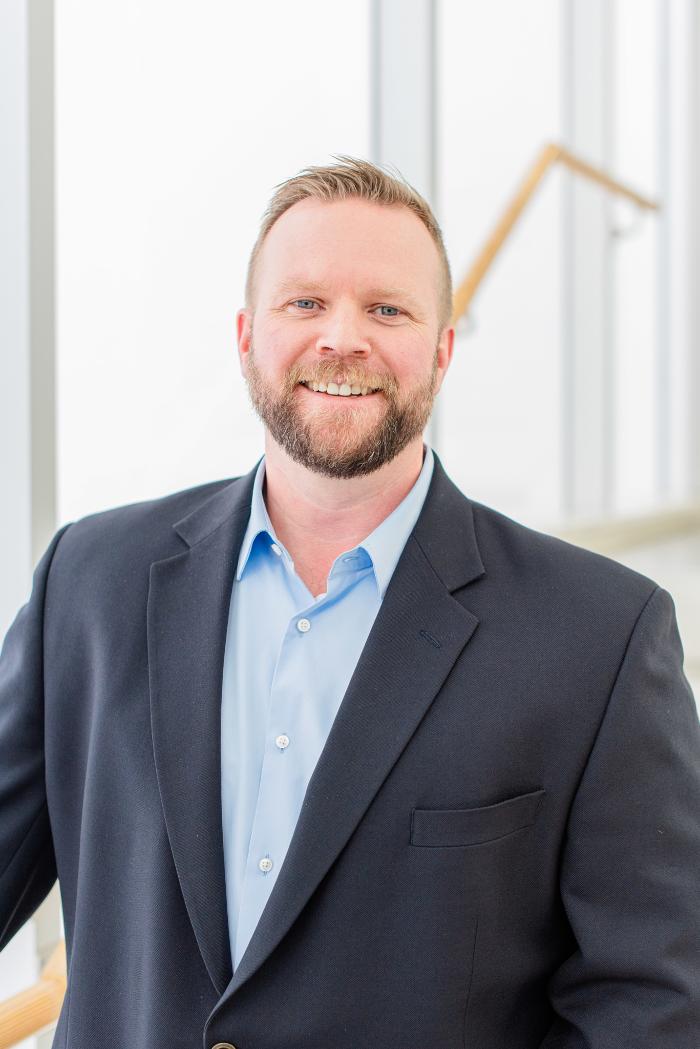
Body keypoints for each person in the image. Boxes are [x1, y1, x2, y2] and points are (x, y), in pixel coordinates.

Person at [1, 156, 699, 1049]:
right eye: (305, 302)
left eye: (387, 309)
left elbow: (650, 1002)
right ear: (246, 336)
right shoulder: (88, 582)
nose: (342, 338)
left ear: (442, 350)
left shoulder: (600, 637)